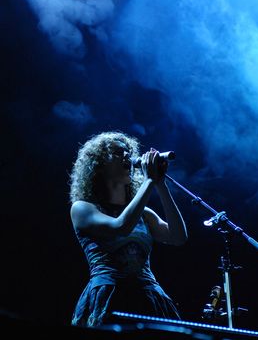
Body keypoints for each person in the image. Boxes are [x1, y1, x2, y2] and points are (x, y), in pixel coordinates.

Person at [69, 130, 188, 327]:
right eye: (117, 152)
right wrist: (149, 181)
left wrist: (161, 185)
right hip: (110, 296)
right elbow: (121, 226)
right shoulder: (82, 208)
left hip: (149, 297)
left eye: (127, 151)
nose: (127, 156)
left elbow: (178, 237)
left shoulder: (143, 213)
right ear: (98, 164)